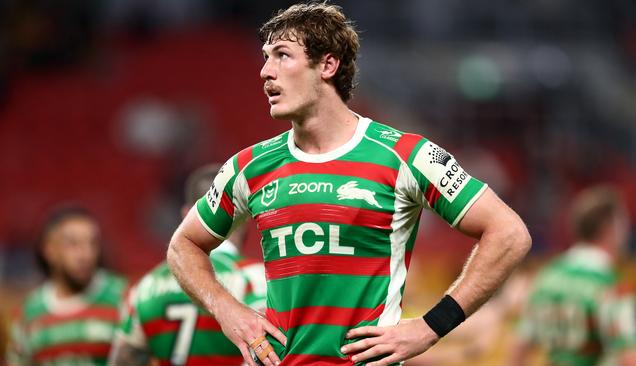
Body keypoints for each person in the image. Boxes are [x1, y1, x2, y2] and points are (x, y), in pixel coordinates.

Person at [166, 3, 531, 366]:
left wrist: (430, 327)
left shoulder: (405, 154)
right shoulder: (248, 167)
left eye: (282, 55)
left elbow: (509, 233)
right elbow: (183, 246)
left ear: (327, 64)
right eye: (265, 57)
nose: (265, 72)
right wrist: (228, 311)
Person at [108, 164, 266, 366]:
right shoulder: (255, 277)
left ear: (187, 215)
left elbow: (124, 360)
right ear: (244, 215)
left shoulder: (145, 286)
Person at [510, 186, 636, 366]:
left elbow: (519, 348)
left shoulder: (546, 278)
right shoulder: (611, 288)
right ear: (611, 227)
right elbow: (631, 359)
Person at [6, 206, 127, 366]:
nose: (86, 254)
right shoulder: (29, 312)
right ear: (49, 250)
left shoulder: (123, 297)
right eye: (72, 244)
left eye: (92, 243)